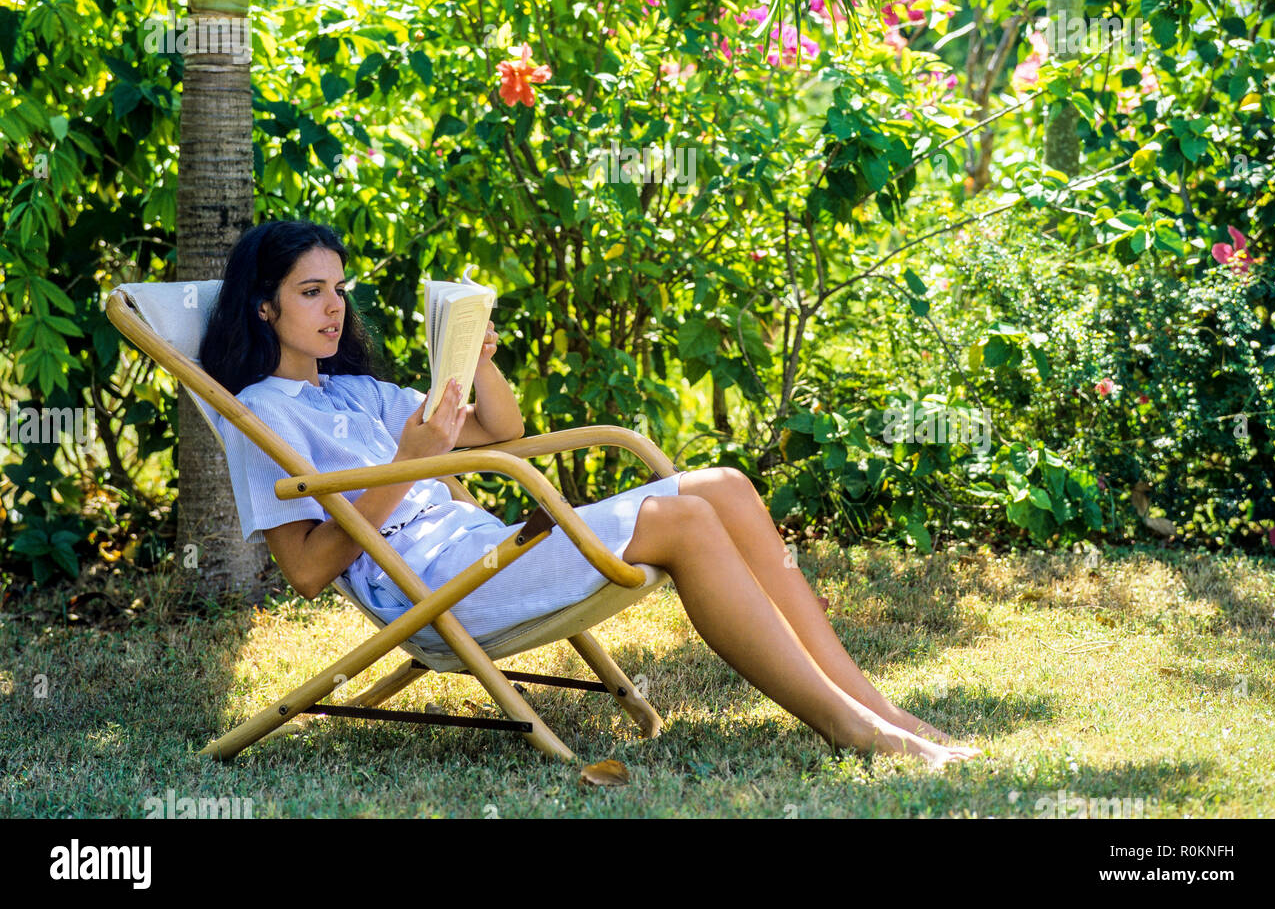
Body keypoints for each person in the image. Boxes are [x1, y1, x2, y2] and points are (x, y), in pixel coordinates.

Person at [202, 218, 983, 767]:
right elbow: (306, 573)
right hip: (436, 592)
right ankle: (850, 730)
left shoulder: (358, 391)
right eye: (311, 292)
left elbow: (499, 433)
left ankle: (879, 709)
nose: (335, 306)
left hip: (476, 553)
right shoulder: (258, 415)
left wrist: (474, 358)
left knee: (725, 486)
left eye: (337, 288)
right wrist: (409, 464)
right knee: (680, 518)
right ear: (264, 306)